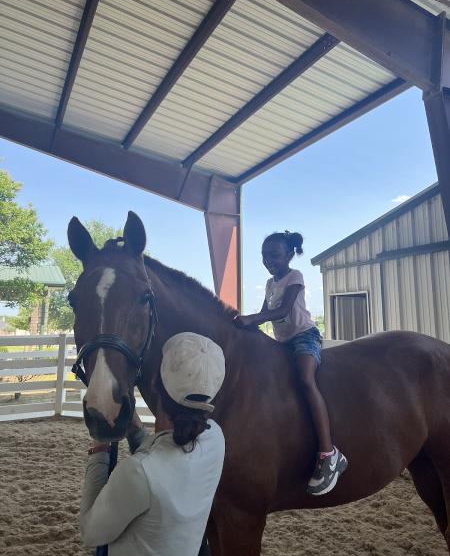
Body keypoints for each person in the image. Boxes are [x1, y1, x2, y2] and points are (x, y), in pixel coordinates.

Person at [79, 332, 226, 555]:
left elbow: (90, 532)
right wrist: (135, 428)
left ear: (156, 385)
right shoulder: (215, 437)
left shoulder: (137, 471)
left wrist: (99, 448)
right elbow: (164, 465)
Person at [234, 231, 347, 496]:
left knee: (306, 380)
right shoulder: (269, 283)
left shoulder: (294, 277)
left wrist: (251, 319)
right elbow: (265, 314)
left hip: (303, 337)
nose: (268, 260)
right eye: (264, 255)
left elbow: (282, 311)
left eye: (274, 254)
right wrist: (245, 327)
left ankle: (329, 453)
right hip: (282, 341)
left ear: (289, 254)